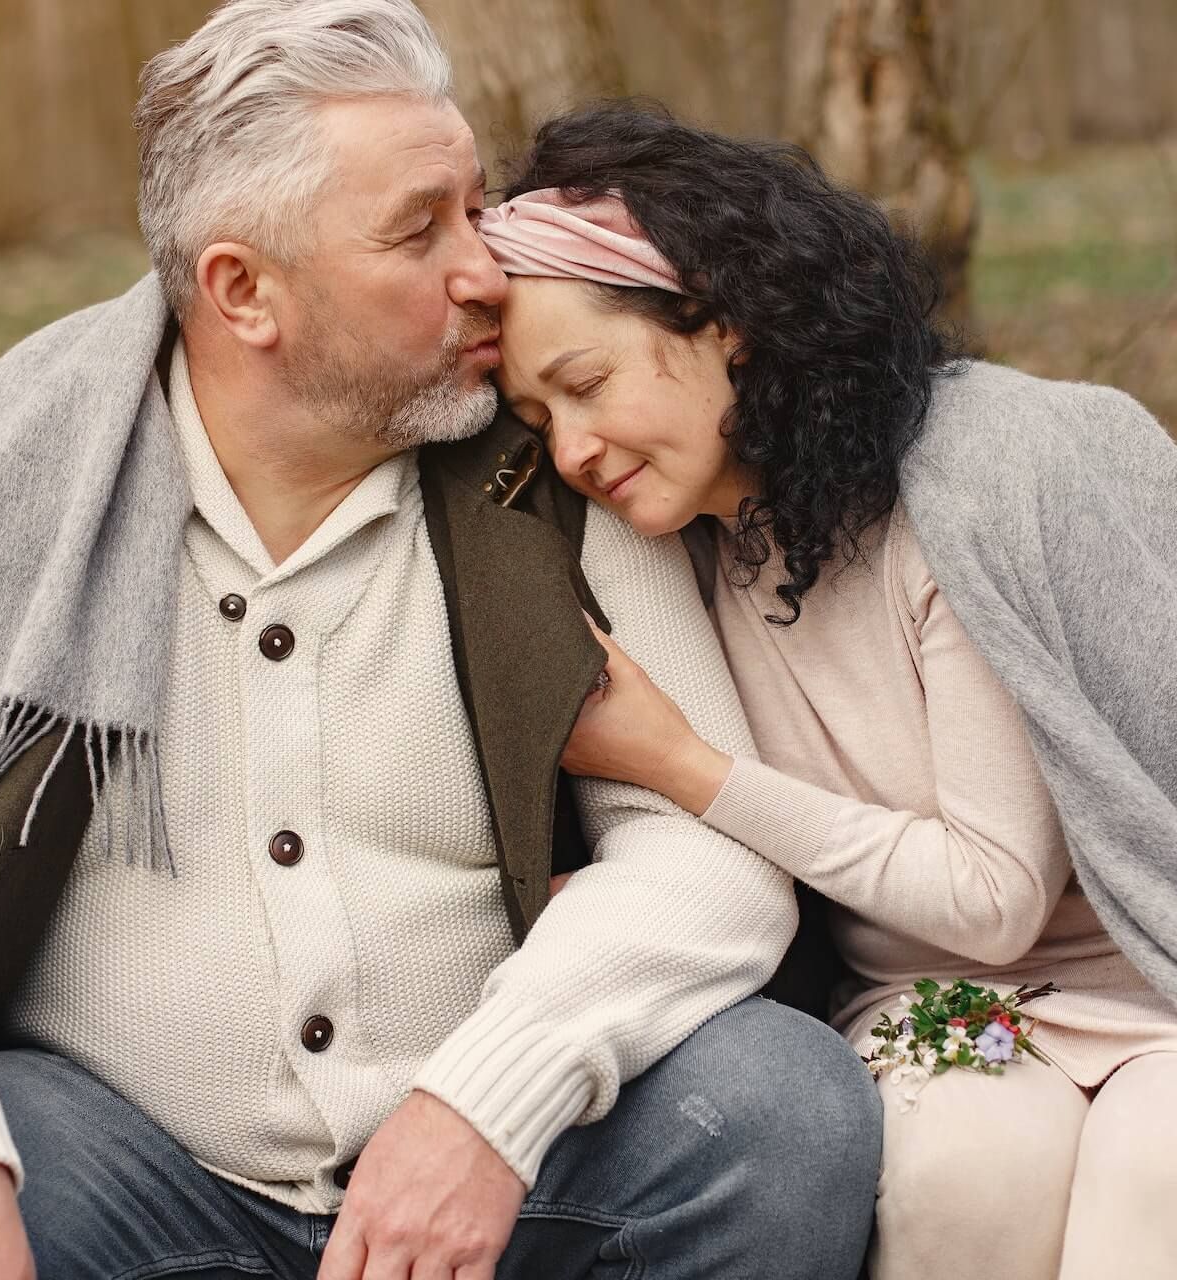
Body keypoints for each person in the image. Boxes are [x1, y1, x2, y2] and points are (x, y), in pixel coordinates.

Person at [0, 8, 883, 1280]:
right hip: (129, 1182)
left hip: (504, 1179)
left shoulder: (555, 470)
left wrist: (486, 1100)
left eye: (475, 209)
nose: (485, 270)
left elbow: (708, 858)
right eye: (419, 230)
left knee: (779, 1105)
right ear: (242, 289)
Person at [481, 102, 1177, 1280]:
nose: (572, 449)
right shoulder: (670, 548)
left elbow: (993, 892)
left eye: (587, 382)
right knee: (964, 1171)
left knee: (1153, 1174)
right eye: (540, 418)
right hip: (927, 1004)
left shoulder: (959, 494)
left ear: (727, 325)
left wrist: (683, 765)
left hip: (1138, 977)